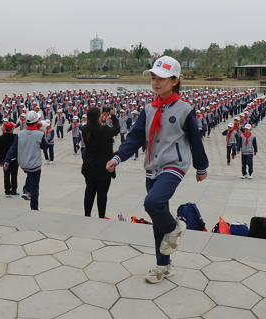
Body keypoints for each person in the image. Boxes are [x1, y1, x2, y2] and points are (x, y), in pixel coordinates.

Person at [106, 56, 209, 284]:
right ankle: (163, 265)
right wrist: (118, 156)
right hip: (152, 168)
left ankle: (174, 227)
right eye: (153, 78)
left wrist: (201, 167)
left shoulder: (184, 109)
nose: (155, 82)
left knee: (152, 203)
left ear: (174, 80)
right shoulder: (149, 108)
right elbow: (134, 137)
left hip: (174, 166)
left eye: (161, 78)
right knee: (156, 215)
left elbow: (195, 140)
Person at [3, 111, 48, 210]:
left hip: (23, 164)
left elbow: (13, 149)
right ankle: (34, 207)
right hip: (34, 165)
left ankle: (25, 189)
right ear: (36, 122)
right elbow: (45, 146)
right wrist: (42, 133)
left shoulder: (20, 134)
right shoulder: (39, 134)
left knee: (29, 174)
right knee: (35, 187)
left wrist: (7, 161)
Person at [82, 107, 119, 219]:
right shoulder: (104, 130)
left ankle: (87, 215)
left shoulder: (84, 129)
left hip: (89, 166)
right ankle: (101, 216)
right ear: (99, 117)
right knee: (102, 194)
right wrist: (113, 116)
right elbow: (117, 129)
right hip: (103, 168)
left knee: (89, 191)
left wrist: (99, 119)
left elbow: (94, 127)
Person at [0, 122, 19, 197]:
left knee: (6, 175)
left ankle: (7, 190)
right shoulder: (15, 137)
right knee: (14, 175)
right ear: (11, 129)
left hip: (5, 160)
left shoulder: (1, 138)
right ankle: (13, 190)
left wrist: (0, 160)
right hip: (14, 159)